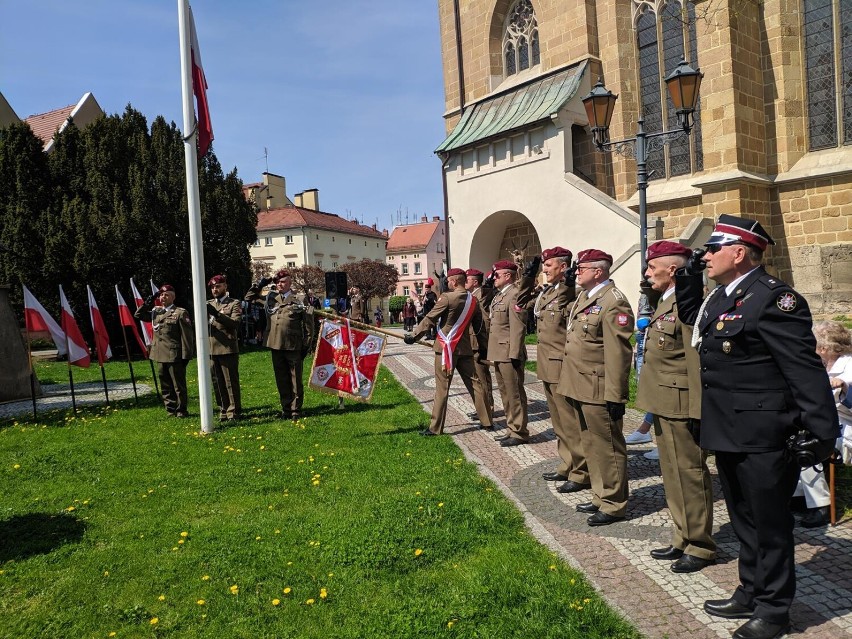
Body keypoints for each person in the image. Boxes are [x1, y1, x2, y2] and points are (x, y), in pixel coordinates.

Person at [675, 214, 838, 639]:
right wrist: (689, 275)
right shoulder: (725, 296)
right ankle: (750, 589)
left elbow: (804, 370)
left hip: (765, 431)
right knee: (744, 517)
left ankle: (774, 609)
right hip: (728, 427)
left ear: (740, 253)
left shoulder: (773, 299)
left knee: (770, 525)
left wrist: (823, 432)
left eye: (714, 249)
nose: (706, 255)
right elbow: (693, 318)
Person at [635, 241, 715, 573]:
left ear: (671, 270)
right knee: (671, 474)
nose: (646, 273)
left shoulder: (687, 303)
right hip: (663, 400)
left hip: (683, 402)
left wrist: (699, 411)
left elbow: (696, 362)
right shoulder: (665, 300)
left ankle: (700, 545)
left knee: (690, 474)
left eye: (652, 267)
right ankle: (682, 536)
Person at [556, 249, 633, 526]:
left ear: (598, 271)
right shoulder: (584, 297)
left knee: (608, 446)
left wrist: (615, 394)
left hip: (599, 386)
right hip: (578, 384)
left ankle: (614, 502)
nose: (577, 272)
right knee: (590, 442)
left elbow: (619, 353)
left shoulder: (614, 302)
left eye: (581, 269)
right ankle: (601, 495)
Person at [523, 247, 591, 495]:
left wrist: (568, 284)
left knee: (570, 421)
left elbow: (566, 301)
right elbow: (523, 303)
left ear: (563, 267)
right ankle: (567, 463)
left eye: (548, 266)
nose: (544, 270)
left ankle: (581, 471)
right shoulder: (546, 293)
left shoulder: (569, 292)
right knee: (559, 421)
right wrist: (527, 278)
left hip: (562, 364)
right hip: (547, 364)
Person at [404, 268, 492, 435]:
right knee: (475, 384)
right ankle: (487, 421)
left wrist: (414, 336)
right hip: (465, 348)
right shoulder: (473, 300)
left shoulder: (447, 298)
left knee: (442, 388)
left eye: (449, 281)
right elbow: (479, 327)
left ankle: (435, 427)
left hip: (446, 348)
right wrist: (483, 347)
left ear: (453, 281)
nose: (448, 283)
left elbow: (430, 318)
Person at [795, 319, 852, 527]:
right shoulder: (820, 366)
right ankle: (800, 498)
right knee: (792, 438)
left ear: (824, 347)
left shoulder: (849, 366)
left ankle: (821, 507)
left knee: (811, 446)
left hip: (846, 431)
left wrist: (845, 388)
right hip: (827, 426)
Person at [245, 269, 314, 420]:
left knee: (295, 379)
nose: (280, 284)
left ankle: (296, 409)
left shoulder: (300, 299)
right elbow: (248, 297)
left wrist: (306, 345)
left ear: (290, 283)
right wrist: (263, 282)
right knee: (281, 378)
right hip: (275, 344)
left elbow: (309, 325)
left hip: (293, 344)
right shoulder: (271, 297)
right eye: (277, 282)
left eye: (283, 282)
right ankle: (286, 408)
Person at [487, 259, 535, 446]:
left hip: (509, 352)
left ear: (507, 276)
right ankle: (511, 427)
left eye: (497, 275)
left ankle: (520, 432)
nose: (494, 279)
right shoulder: (500, 295)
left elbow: (517, 327)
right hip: (499, 351)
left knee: (514, 393)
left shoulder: (514, 295)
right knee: (505, 393)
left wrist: (515, 353)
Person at [135, 284, 195, 417]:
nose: (163, 297)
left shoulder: (180, 312)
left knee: (178, 385)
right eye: (161, 295)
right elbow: (138, 315)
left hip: (174, 354)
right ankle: (170, 408)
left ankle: (181, 410)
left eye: (166, 295)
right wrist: (147, 304)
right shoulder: (156, 312)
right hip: (159, 354)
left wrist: (186, 355)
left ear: (173, 297)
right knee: (165, 384)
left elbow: (187, 336)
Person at [206, 275, 242, 421]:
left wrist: (217, 314)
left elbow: (235, 323)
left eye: (218, 286)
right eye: (213, 287)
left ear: (225, 287)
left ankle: (234, 411)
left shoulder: (234, 303)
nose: (215, 289)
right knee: (217, 382)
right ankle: (223, 408)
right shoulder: (207, 304)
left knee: (230, 382)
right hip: (211, 348)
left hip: (227, 347)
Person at [465, 268, 496, 422]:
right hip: (472, 341)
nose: (465, 282)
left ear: (475, 282)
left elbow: (483, 317)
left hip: (479, 341)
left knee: (482, 377)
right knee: (478, 377)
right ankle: (484, 407)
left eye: (468, 279)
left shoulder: (481, 295)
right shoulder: (472, 295)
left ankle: (488, 407)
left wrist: (488, 285)